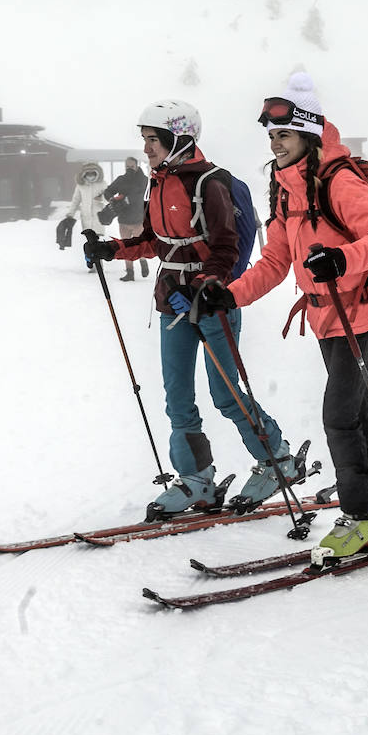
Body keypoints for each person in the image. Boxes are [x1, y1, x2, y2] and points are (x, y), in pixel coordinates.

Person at [200, 72, 368, 564]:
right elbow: (276, 263)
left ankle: (362, 518)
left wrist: (341, 260)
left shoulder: (339, 181)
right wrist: (229, 296)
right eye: (272, 136)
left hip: (358, 313)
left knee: (339, 417)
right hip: (324, 318)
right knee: (358, 407)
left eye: (284, 134)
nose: (275, 144)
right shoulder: (285, 190)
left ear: (308, 135)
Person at [82, 100, 298, 516]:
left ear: (176, 138)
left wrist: (206, 285)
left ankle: (278, 463)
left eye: (152, 140)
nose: (146, 148)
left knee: (227, 394)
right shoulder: (158, 182)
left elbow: (226, 244)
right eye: (144, 139)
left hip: (211, 302)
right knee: (177, 398)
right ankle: (197, 480)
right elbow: (154, 241)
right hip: (172, 303)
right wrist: (111, 248)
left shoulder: (209, 182)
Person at [101, 156, 151, 281]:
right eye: (127, 167)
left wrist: (128, 199)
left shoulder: (143, 180)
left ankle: (143, 261)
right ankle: (130, 272)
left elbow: (146, 195)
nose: (129, 169)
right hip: (123, 220)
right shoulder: (121, 180)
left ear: (137, 166)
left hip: (139, 219)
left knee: (139, 245)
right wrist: (112, 200)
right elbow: (108, 192)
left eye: (132, 166)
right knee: (126, 246)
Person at [66, 163, 107, 270]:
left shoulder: (102, 184)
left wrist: (102, 198)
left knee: (97, 242)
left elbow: (108, 199)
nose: (90, 175)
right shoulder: (81, 186)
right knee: (90, 242)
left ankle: (99, 264)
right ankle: (92, 261)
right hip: (86, 217)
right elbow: (76, 200)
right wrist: (71, 213)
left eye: (92, 173)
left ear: (97, 173)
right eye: (88, 173)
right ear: (84, 174)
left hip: (98, 217)